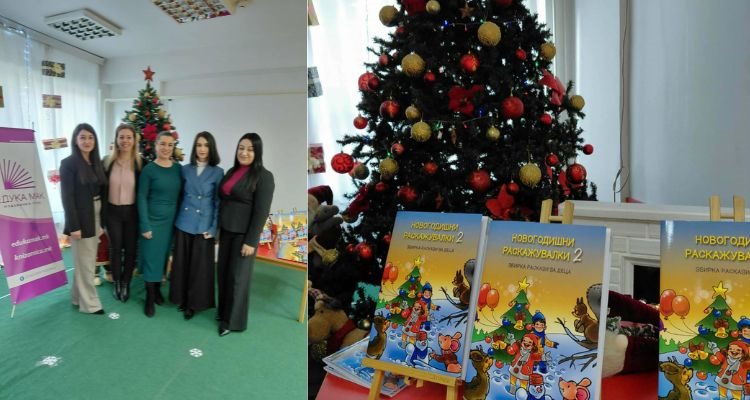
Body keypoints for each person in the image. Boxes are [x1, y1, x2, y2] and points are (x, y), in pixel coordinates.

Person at [216, 133, 274, 336]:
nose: (244, 152)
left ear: (257, 152)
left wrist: (251, 241)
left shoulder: (264, 176)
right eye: (241, 148)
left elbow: (261, 211)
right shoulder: (232, 171)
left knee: (237, 278)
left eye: (250, 149)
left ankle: (232, 321)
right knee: (223, 274)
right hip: (227, 231)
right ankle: (223, 313)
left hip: (244, 236)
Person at [170, 131, 223, 320]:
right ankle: (182, 298)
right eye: (199, 145)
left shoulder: (218, 172)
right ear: (195, 147)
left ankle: (194, 304)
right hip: (184, 222)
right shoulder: (185, 169)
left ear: (211, 148)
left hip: (204, 225)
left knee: (199, 268)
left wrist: (214, 228)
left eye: (206, 145)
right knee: (182, 264)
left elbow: (218, 202)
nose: (202, 149)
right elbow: (179, 196)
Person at [60, 123, 108, 315]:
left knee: (84, 261)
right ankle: (90, 305)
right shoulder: (68, 163)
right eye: (83, 137)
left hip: (96, 214)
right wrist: (74, 226)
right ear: (75, 140)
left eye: (90, 137)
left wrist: (102, 222)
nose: (87, 141)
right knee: (86, 263)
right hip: (81, 218)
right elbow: (67, 197)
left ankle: (77, 297)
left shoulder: (96, 162)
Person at [137, 131, 182, 317]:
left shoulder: (178, 169)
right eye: (162, 144)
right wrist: (145, 225)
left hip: (171, 223)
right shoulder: (149, 170)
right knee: (151, 259)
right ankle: (149, 297)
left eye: (170, 145)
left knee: (163, 258)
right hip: (152, 221)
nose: (166, 148)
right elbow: (141, 197)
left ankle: (156, 291)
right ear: (155, 145)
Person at [103, 123, 144, 302]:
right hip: (112, 212)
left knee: (130, 250)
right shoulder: (107, 162)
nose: (125, 140)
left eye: (129, 137)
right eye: (121, 137)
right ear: (116, 139)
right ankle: (117, 282)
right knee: (115, 248)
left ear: (134, 140)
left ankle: (126, 282)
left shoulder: (141, 163)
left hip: (132, 213)